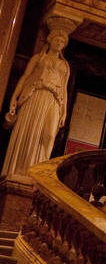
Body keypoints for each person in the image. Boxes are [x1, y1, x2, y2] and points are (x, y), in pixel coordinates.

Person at [2, 26, 70, 180]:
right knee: (29, 129)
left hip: (53, 101)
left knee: (49, 135)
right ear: (50, 41)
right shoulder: (39, 58)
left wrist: (64, 111)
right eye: (57, 40)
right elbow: (25, 77)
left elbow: (64, 88)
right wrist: (14, 97)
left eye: (62, 41)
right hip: (36, 95)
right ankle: (21, 171)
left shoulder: (65, 66)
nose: (59, 43)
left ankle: (38, 173)